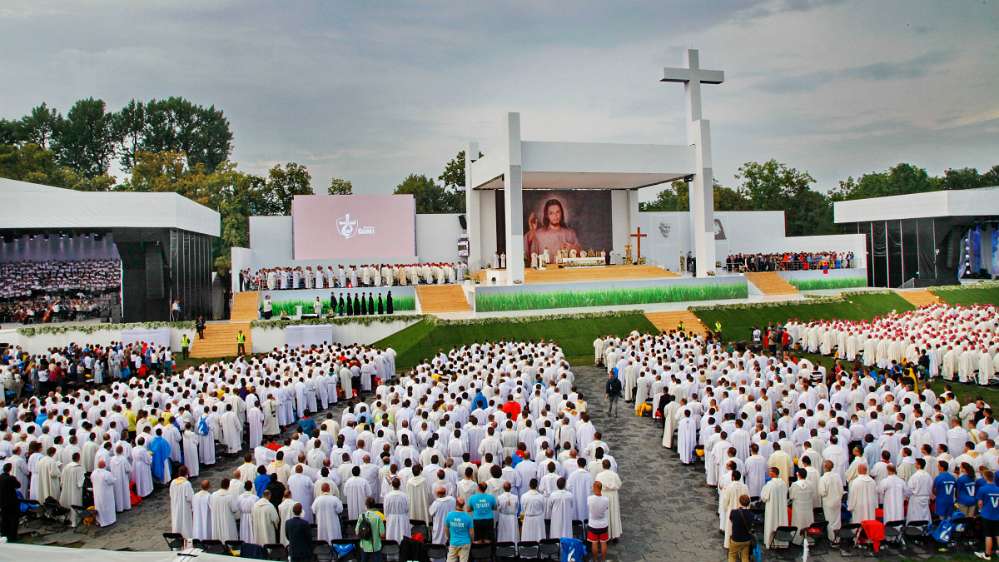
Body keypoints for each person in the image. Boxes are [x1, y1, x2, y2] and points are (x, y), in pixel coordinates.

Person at [976, 469, 999, 560]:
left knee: (988, 535)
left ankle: (987, 554)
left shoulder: (983, 489)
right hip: (997, 514)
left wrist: (980, 510)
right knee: (998, 534)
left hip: (987, 514)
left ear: (985, 478)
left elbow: (980, 503)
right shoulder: (998, 489)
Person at [444, 497, 474, 562]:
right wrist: (471, 541)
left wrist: (449, 538)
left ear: (456, 504)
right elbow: (471, 533)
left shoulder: (449, 515)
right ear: (464, 505)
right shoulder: (468, 517)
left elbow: (446, 529)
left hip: (454, 542)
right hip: (465, 542)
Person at [356, 496, 385, 562]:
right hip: (376, 546)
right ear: (374, 505)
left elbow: (357, 532)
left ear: (366, 505)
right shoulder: (378, 517)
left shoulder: (361, 516)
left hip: (364, 546)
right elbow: (382, 534)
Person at [587, 481, 610, 562]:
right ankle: (603, 560)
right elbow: (606, 509)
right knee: (603, 543)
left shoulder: (589, 499)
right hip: (603, 524)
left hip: (593, 524)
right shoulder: (606, 499)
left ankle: (595, 559)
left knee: (594, 543)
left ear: (595, 488)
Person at [727, 494, 754, 562]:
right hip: (746, 540)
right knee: (745, 557)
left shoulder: (734, 512)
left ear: (740, 502)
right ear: (748, 503)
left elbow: (731, 519)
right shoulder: (751, 514)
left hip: (736, 539)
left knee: (732, 556)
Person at [0, 463, 20, 541]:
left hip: (2, 502)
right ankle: (12, 536)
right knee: (13, 519)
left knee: (4, 518)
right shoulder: (11, 478)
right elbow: (18, 485)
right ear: (10, 469)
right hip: (11, 502)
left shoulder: (1, 477)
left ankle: (4, 533)